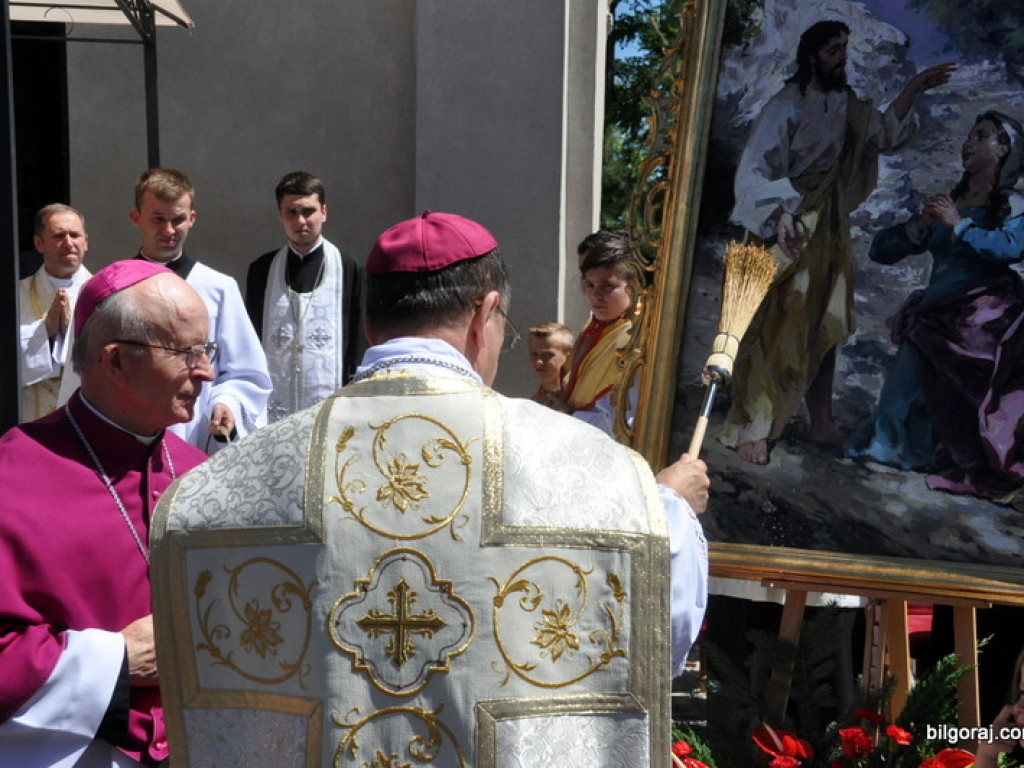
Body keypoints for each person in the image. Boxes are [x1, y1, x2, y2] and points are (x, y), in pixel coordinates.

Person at [150, 211, 710, 766]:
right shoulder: (593, 467)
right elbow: (658, 630)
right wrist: (668, 508)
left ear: (370, 325)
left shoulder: (226, 481)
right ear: (485, 315)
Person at [0, 260, 212, 767]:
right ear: (115, 361)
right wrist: (113, 659)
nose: (206, 371)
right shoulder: (12, 475)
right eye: (186, 352)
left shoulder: (202, 473)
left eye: (207, 349)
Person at [720, 19, 955, 465]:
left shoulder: (848, 106)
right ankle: (755, 426)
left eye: (845, 48)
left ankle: (821, 421)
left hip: (827, 226)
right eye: (833, 50)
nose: (842, 57)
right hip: (785, 223)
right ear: (812, 57)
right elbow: (753, 173)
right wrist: (781, 214)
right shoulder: (786, 106)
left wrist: (914, 88)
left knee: (826, 320)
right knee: (780, 324)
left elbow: (884, 133)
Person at [847, 111, 1024, 498]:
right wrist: (920, 227)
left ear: (1003, 149)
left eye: (980, 136)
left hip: (983, 316)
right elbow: (881, 251)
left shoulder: (1011, 204)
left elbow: (1011, 247)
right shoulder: (950, 201)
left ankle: (972, 460)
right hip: (935, 314)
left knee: (971, 395)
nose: (968, 143)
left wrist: (959, 224)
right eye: (969, 135)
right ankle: (905, 452)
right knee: (898, 400)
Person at [126, 168, 271, 453]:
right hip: (130, 433)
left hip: (195, 437)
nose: (169, 230)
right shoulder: (115, 286)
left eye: (178, 219)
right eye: (158, 219)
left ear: (192, 218)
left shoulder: (219, 288)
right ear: (136, 217)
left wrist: (227, 402)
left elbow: (246, 373)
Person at [245, 171, 364, 421]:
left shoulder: (347, 267)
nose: (301, 221)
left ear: (324, 212)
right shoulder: (262, 269)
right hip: (274, 406)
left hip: (333, 403)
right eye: (291, 212)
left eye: (308, 211)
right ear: (280, 215)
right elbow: (251, 338)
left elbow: (358, 339)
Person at [549, 231, 639, 435]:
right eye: (589, 284)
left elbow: (624, 423)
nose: (595, 295)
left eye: (608, 286)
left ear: (633, 284)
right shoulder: (599, 322)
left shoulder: (633, 337)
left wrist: (569, 415)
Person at [18, 203, 92, 422]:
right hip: (29, 417)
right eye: (59, 236)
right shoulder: (15, 295)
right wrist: (45, 332)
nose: (68, 243)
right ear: (39, 243)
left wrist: (72, 331)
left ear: (86, 242)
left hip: (85, 418)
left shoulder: (107, 295)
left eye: (75, 235)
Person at [527, 320, 573, 404]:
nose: (539, 361)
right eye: (534, 354)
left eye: (548, 354)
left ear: (568, 357)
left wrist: (567, 410)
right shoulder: (531, 404)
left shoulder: (582, 398)